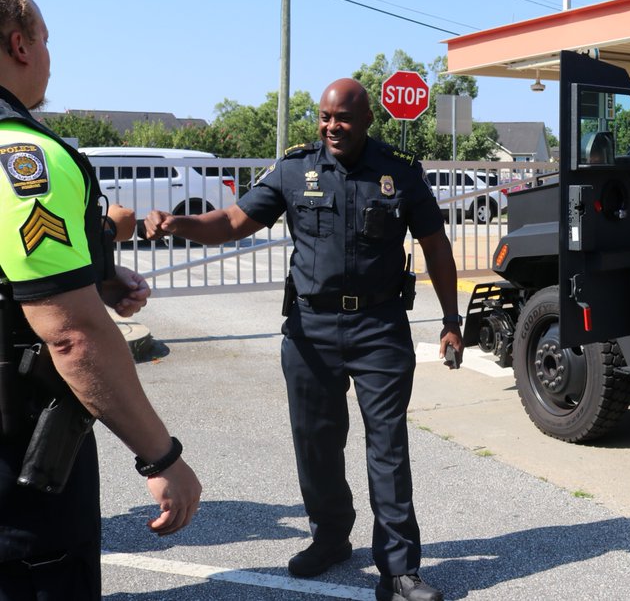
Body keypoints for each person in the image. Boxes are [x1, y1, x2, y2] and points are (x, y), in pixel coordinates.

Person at [144, 78, 463, 601]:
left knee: (387, 446)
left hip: (380, 327)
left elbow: (435, 245)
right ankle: (332, 537)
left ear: (365, 122)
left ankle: (400, 569)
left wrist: (451, 319)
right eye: (324, 117)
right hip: (310, 328)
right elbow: (231, 221)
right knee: (316, 442)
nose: (331, 126)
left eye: (342, 118)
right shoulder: (296, 169)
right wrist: (179, 222)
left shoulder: (398, 174)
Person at [0, 0, 202, 599]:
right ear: (21, 45)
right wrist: (161, 458)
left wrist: (99, 276)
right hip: (18, 464)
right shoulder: (24, 156)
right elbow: (70, 335)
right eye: (47, 41)